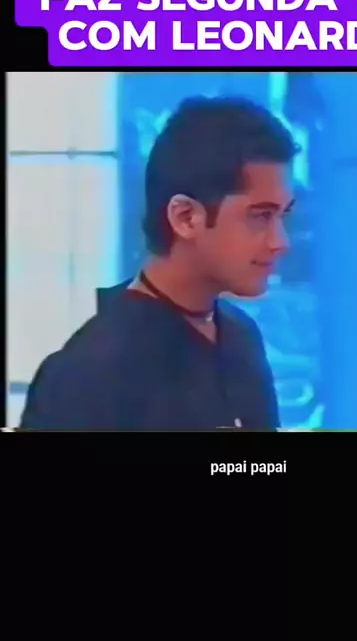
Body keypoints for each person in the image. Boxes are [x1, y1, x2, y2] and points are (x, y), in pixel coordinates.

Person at [19, 95, 297, 431]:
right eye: (260, 216)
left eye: (283, 215)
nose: (280, 241)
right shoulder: (90, 373)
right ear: (185, 217)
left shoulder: (241, 337)